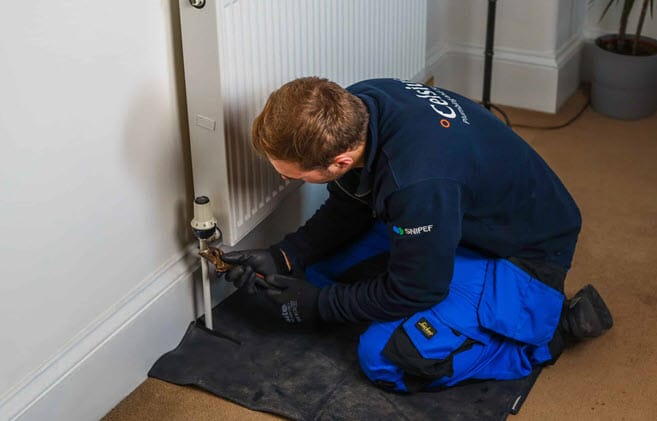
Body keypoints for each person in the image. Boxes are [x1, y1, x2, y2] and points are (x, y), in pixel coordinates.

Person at [221, 77, 613, 393]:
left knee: (386, 357)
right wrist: (284, 256)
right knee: (312, 274)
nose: (283, 178)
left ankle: (549, 329)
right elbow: (350, 202)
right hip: (455, 214)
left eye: (289, 174)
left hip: (525, 253)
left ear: (338, 162)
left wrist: (321, 305)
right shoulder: (358, 105)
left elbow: (417, 290)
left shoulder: (418, 184)